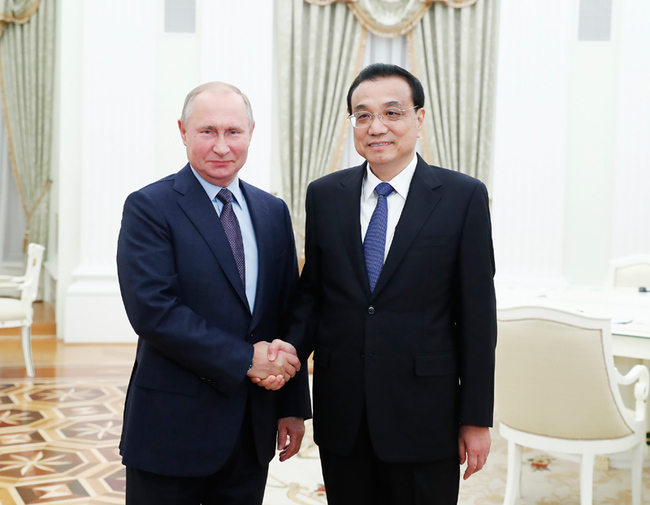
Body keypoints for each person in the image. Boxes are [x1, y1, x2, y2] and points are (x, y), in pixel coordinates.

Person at [279, 63, 497, 505]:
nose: (376, 127)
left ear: (419, 118)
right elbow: (312, 299)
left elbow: (477, 317)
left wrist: (476, 418)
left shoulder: (462, 197)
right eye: (362, 115)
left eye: (392, 113)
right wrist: (287, 374)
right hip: (344, 411)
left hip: (426, 415)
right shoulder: (324, 194)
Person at [116, 81, 311, 505]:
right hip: (171, 431)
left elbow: (285, 311)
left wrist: (291, 405)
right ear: (183, 131)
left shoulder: (272, 212)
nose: (222, 146)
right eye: (207, 131)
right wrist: (246, 359)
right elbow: (154, 311)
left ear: (251, 134)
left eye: (233, 132)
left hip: (251, 430)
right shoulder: (149, 207)